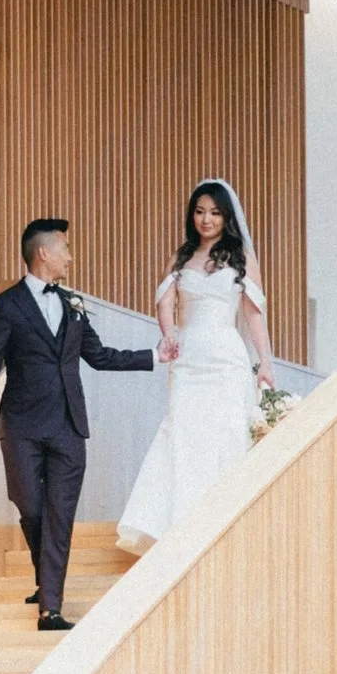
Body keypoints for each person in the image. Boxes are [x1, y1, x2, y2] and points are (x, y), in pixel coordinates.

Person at [0, 219, 157, 630]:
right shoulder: (6, 305)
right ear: (44, 254)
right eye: (65, 248)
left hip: (69, 425)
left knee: (60, 514)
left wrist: (155, 357)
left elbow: (99, 356)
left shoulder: (73, 302)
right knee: (30, 507)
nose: (71, 256)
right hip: (21, 426)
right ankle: (45, 578)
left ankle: (50, 606)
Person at [116, 178, 278, 556]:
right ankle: (180, 530)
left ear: (226, 217)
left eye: (215, 213)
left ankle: (225, 528)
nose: (207, 219)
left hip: (226, 357)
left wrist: (264, 362)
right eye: (200, 212)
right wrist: (170, 333)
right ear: (192, 215)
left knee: (225, 434)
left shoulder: (241, 258)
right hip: (188, 359)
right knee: (186, 433)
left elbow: (254, 315)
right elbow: (164, 303)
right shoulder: (181, 256)